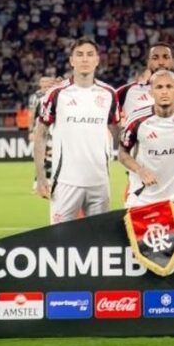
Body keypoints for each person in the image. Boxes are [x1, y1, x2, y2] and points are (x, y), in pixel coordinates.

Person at [33, 39, 119, 224]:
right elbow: (40, 135)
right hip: (65, 183)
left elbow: (117, 130)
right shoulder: (56, 94)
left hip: (99, 183)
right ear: (71, 60)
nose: (84, 59)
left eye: (89, 54)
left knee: (100, 243)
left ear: (97, 60)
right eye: (79, 55)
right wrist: (40, 178)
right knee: (60, 242)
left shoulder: (109, 94)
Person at [119, 70, 174, 206]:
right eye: (159, 87)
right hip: (143, 198)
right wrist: (140, 170)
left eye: (169, 87)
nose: (164, 91)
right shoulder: (137, 120)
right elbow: (122, 153)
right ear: (151, 92)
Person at [116, 43, 174, 118]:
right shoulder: (126, 92)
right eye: (155, 58)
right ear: (148, 62)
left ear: (173, 62)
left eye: (166, 57)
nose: (161, 62)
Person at [29, 75, 58, 191]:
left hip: (55, 129)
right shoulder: (35, 97)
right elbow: (31, 114)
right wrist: (31, 130)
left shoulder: (56, 93)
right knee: (40, 155)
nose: (45, 83)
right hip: (40, 129)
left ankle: (51, 181)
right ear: (40, 84)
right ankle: (37, 181)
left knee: (52, 154)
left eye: (48, 81)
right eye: (43, 81)